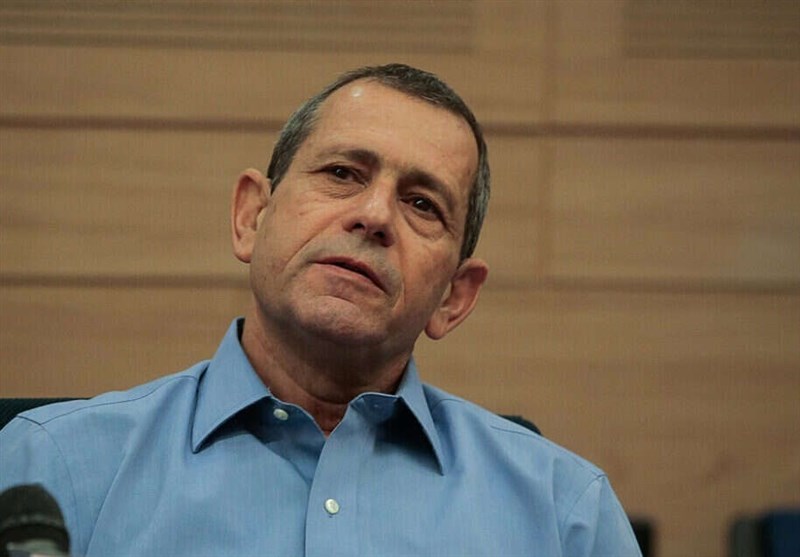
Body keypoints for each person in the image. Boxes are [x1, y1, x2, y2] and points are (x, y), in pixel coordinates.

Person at [0, 64, 641, 556]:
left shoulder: (565, 516)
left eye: (422, 204)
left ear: (454, 297)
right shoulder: (51, 468)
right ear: (251, 217)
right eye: (341, 173)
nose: (374, 215)